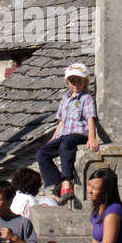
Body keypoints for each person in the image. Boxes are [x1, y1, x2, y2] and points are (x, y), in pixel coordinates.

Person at [36, 62, 100, 200]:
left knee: (65, 145)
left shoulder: (86, 98)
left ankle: (67, 181)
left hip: (79, 134)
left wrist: (92, 138)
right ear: (68, 82)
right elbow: (61, 121)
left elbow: (90, 119)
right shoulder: (65, 98)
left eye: (79, 80)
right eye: (72, 81)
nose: (75, 83)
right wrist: (53, 138)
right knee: (42, 153)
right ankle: (58, 183)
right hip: (64, 135)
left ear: (85, 81)